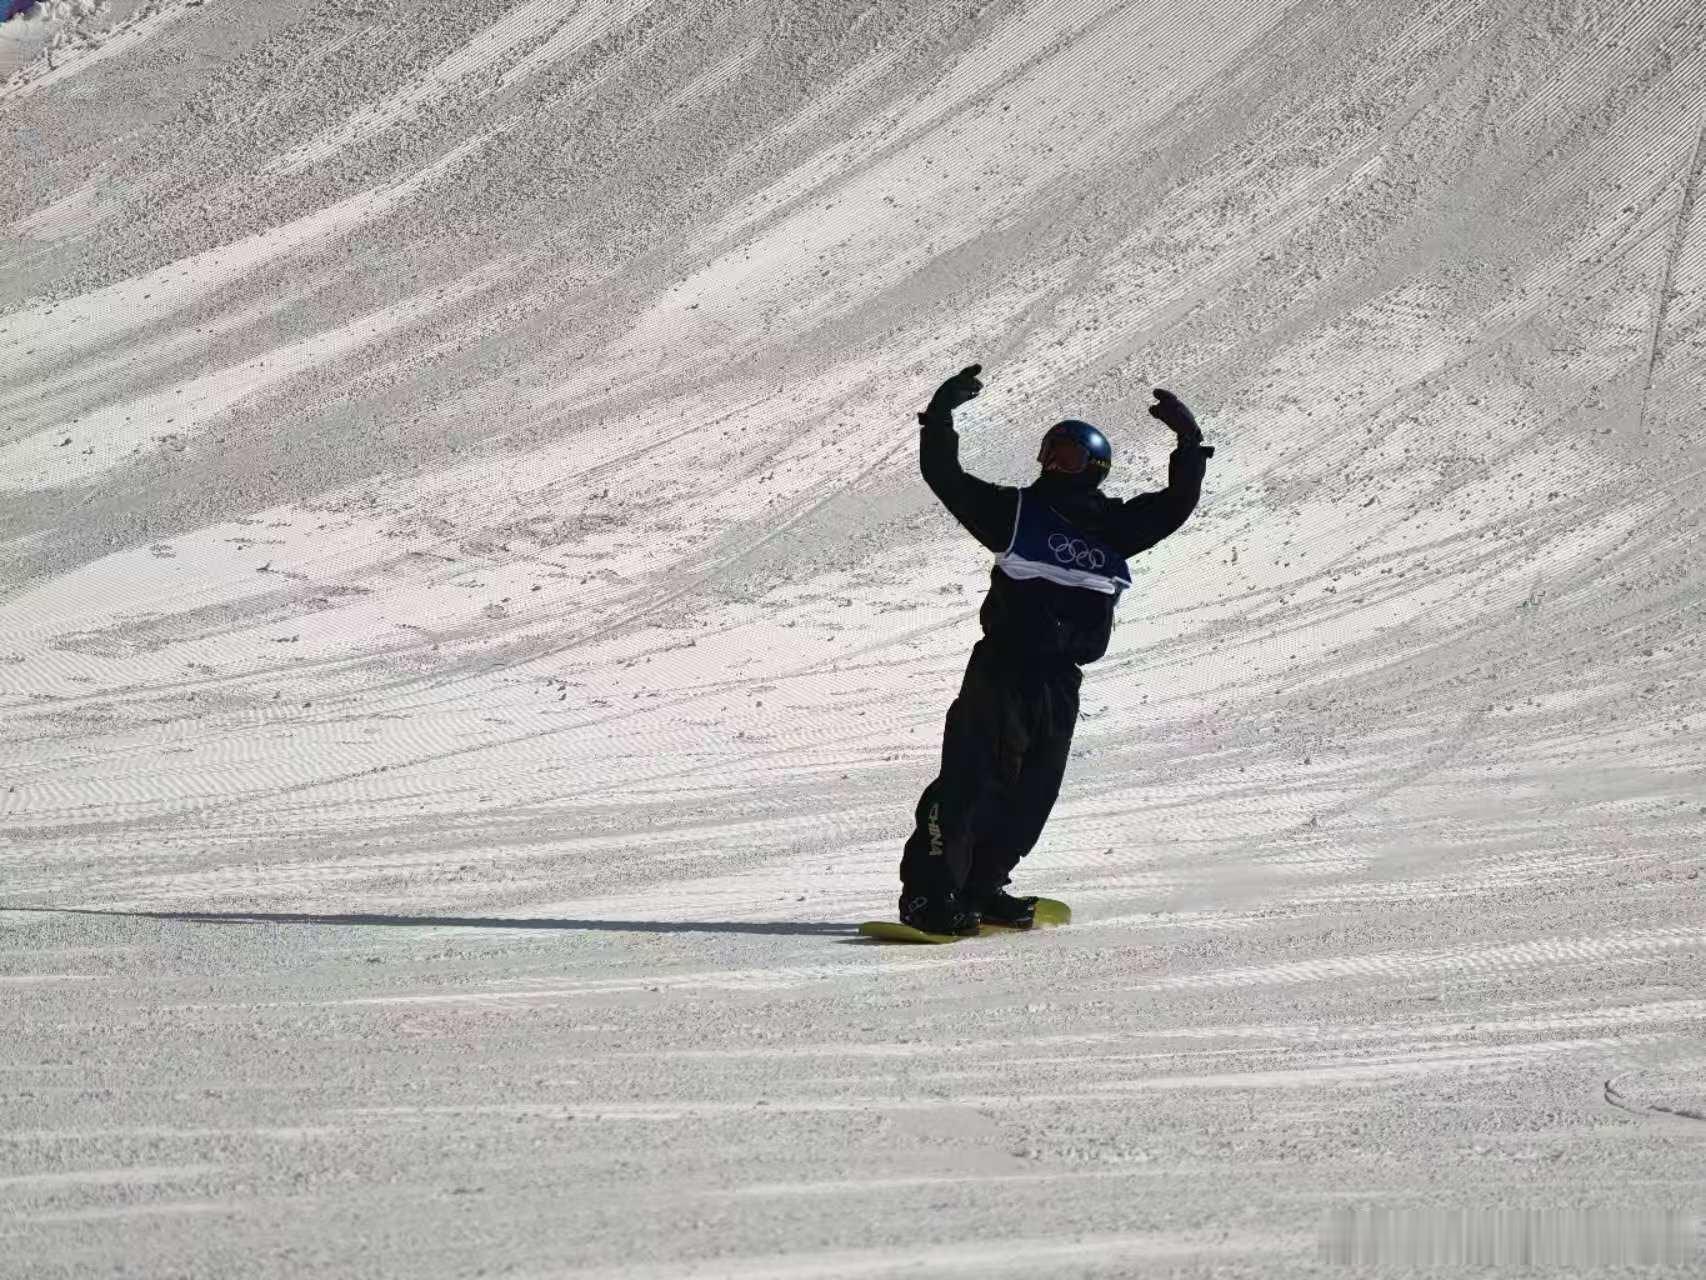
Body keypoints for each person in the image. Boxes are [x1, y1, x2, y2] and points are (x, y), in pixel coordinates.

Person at [897, 364, 1214, 935]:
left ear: (1095, 467)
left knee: (1031, 794)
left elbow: (1175, 505)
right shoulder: (1014, 512)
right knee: (971, 780)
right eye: (1047, 452)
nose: (1051, 464)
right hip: (1002, 670)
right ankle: (929, 896)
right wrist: (939, 418)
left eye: (1066, 456)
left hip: (1060, 681)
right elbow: (944, 476)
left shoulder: (1116, 528)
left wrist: (1189, 444)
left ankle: (984, 886)